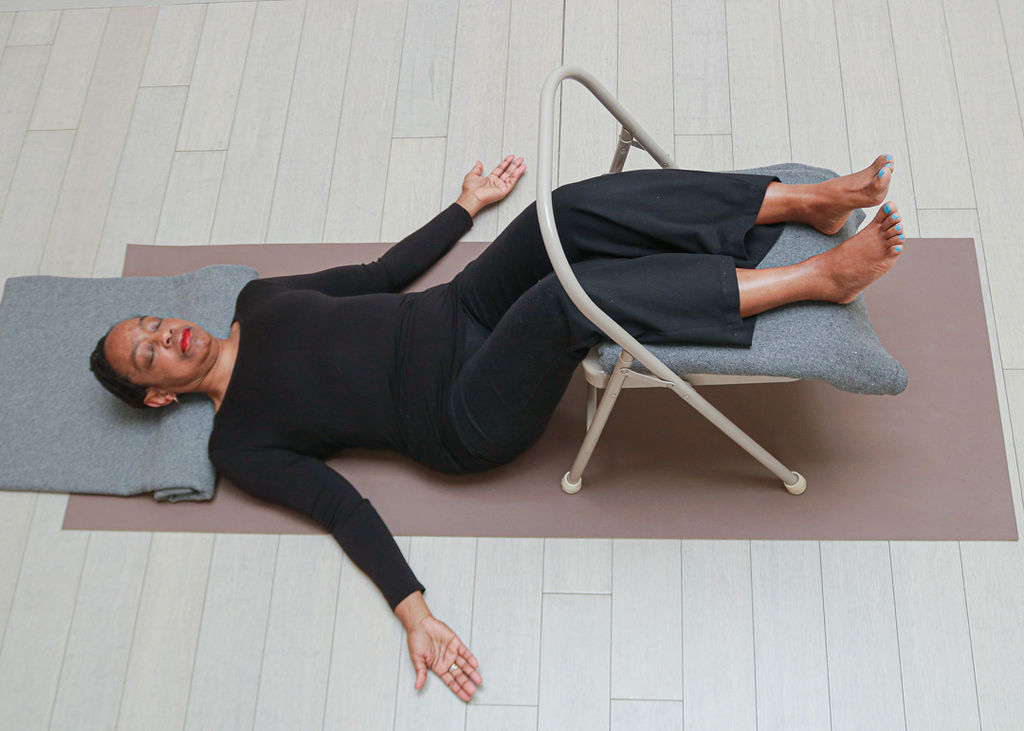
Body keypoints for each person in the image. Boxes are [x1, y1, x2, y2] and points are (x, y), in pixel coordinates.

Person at [90, 154, 904, 702]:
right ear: (158, 396)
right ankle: (811, 279)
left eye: (153, 323)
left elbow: (377, 278)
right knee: (563, 301)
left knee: (562, 214)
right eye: (148, 354)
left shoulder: (256, 301)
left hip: (462, 307)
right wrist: (415, 612)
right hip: (460, 412)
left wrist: (463, 208)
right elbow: (338, 506)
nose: (166, 337)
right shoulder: (238, 443)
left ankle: (806, 201)